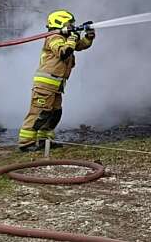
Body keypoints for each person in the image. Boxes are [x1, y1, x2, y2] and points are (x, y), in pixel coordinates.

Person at [18, 10, 94, 152]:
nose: (72, 26)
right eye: (70, 23)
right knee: (39, 112)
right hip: (45, 85)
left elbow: (80, 46)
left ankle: (44, 140)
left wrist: (88, 37)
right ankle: (26, 143)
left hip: (57, 85)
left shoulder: (65, 38)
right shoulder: (54, 37)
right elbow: (64, 52)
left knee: (54, 113)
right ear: (60, 23)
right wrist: (72, 38)